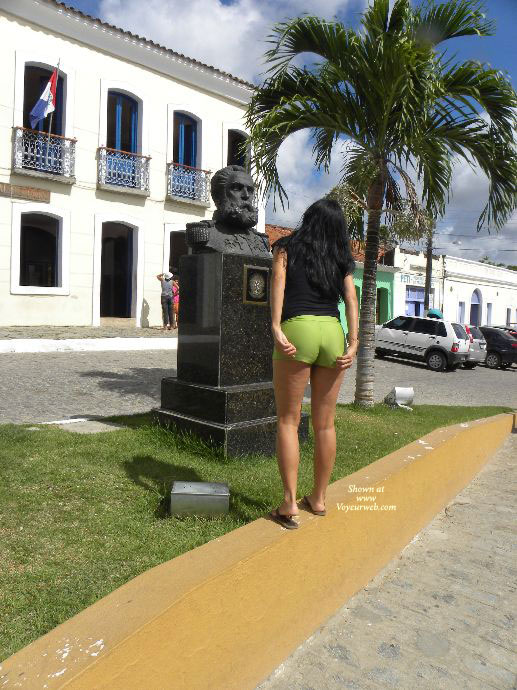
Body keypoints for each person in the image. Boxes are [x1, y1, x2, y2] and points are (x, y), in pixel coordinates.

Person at [269, 198, 359, 529]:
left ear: (308, 219)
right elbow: (350, 299)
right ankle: (318, 498)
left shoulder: (286, 247)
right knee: (325, 424)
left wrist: (277, 327)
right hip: (332, 334)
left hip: (299, 330)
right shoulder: (341, 257)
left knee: (289, 421)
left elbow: (278, 284)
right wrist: (354, 342)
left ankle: (290, 503)